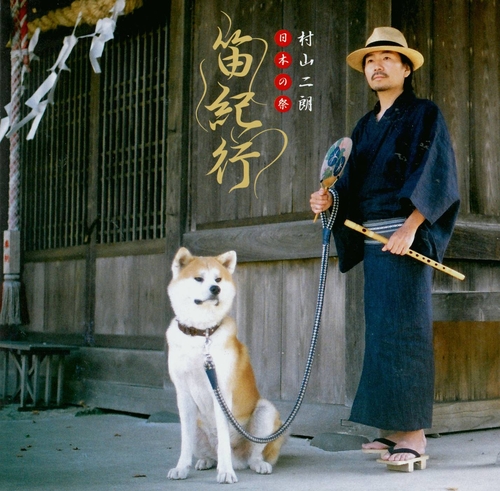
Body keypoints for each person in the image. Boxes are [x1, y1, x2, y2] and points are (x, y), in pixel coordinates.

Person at [310, 27, 460, 464]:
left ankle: (414, 434)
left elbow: (438, 174)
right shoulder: (364, 125)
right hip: (374, 239)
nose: (376, 66)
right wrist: (328, 199)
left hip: (403, 237)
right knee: (381, 333)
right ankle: (391, 430)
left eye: (387, 58)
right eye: (370, 60)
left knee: (406, 331)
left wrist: (412, 226)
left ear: (406, 67)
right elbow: (349, 185)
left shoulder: (424, 114)